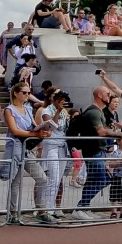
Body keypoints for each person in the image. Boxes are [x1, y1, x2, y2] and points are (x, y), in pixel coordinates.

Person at [74, 86, 122, 221]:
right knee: (103, 179)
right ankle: (80, 207)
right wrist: (121, 134)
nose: (109, 96)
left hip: (97, 150)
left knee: (92, 180)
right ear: (100, 95)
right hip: (93, 151)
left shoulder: (99, 112)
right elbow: (101, 132)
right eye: (107, 94)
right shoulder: (94, 112)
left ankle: (84, 207)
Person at [2, 82, 51, 223]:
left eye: (28, 93)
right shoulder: (9, 110)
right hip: (16, 148)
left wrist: (42, 130)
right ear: (16, 93)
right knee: (16, 182)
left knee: (42, 178)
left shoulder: (28, 109)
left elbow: (33, 126)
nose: (27, 95)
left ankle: (41, 210)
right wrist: (35, 134)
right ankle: (12, 213)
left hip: (27, 149)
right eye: (24, 93)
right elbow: (15, 130)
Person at [35, 89, 71, 222]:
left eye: (64, 102)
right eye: (60, 101)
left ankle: (52, 208)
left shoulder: (64, 112)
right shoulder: (47, 111)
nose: (62, 104)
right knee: (52, 177)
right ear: (54, 100)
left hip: (62, 146)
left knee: (58, 179)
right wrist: (57, 111)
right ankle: (46, 210)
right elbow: (52, 127)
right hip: (51, 146)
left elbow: (64, 127)